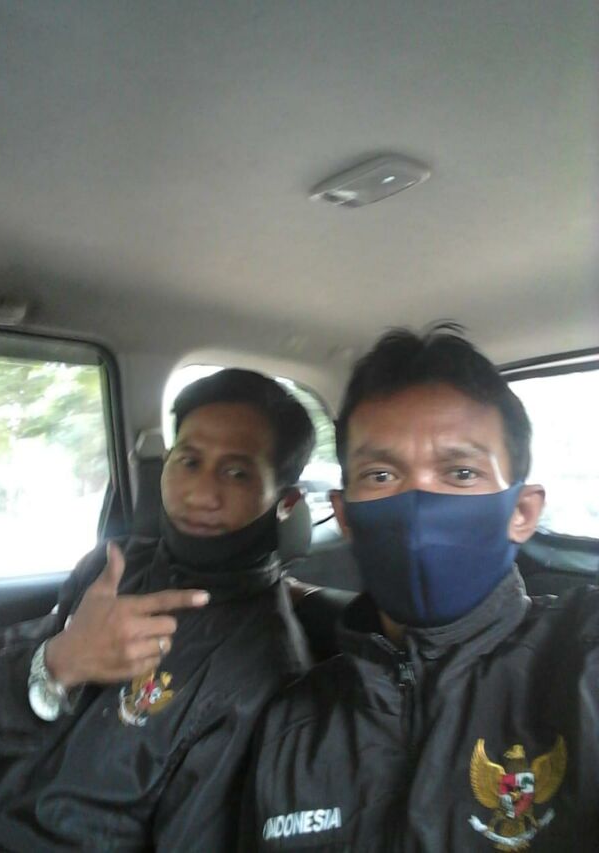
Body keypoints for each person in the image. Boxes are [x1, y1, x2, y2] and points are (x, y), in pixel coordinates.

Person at [241, 326, 599, 852]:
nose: (418, 507)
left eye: (461, 472)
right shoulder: (292, 728)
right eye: (381, 475)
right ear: (345, 516)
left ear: (521, 512)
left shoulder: (579, 665)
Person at [0, 368, 315, 852]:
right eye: (189, 461)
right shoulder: (112, 567)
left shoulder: (261, 665)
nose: (200, 493)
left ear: (285, 501)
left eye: (236, 473)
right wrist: (58, 661)